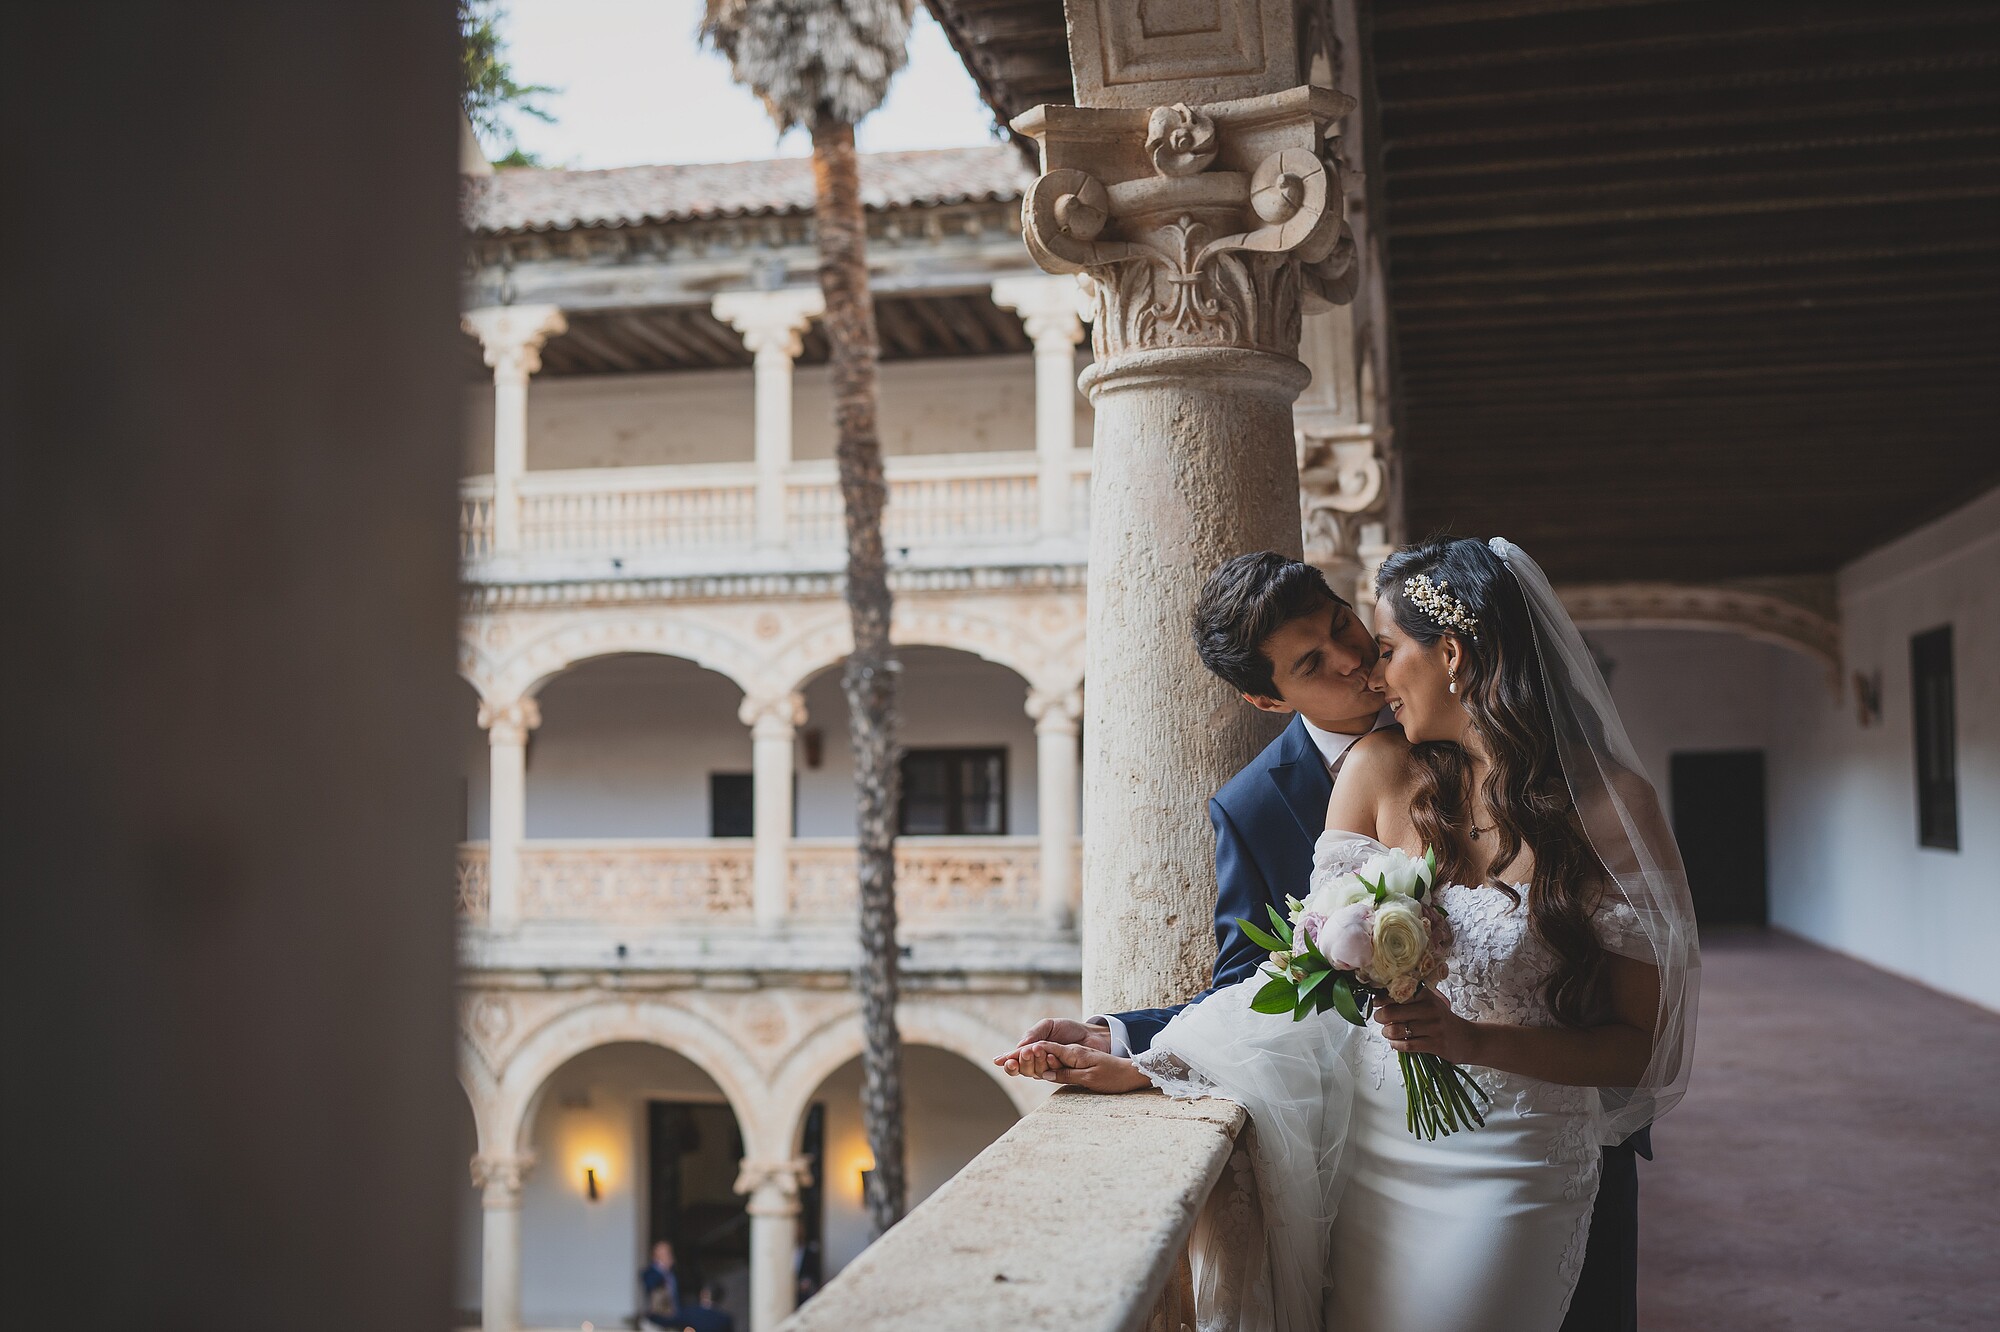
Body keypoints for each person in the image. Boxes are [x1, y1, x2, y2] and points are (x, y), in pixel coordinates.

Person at [1000, 537, 1699, 1332]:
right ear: (1270, 699)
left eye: (1368, 637)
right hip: (1377, 1155)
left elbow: (1643, 1045)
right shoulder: (1369, 775)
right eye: (1313, 661)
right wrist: (1152, 1060)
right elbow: (1288, 981)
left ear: (1453, 654)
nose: (1363, 666)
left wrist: (1472, 1042)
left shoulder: (1613, 808)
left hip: (1523, 1154)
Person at [639, 1241, 728, 1332]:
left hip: (674, 1318)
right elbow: (650, 1285)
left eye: (668, 1252)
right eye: (663, 1253)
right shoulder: (649, 1273)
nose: (667, 1256)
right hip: (656, 1319)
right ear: (655, 1256)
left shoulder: (674, 1274)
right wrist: (663, 1268)